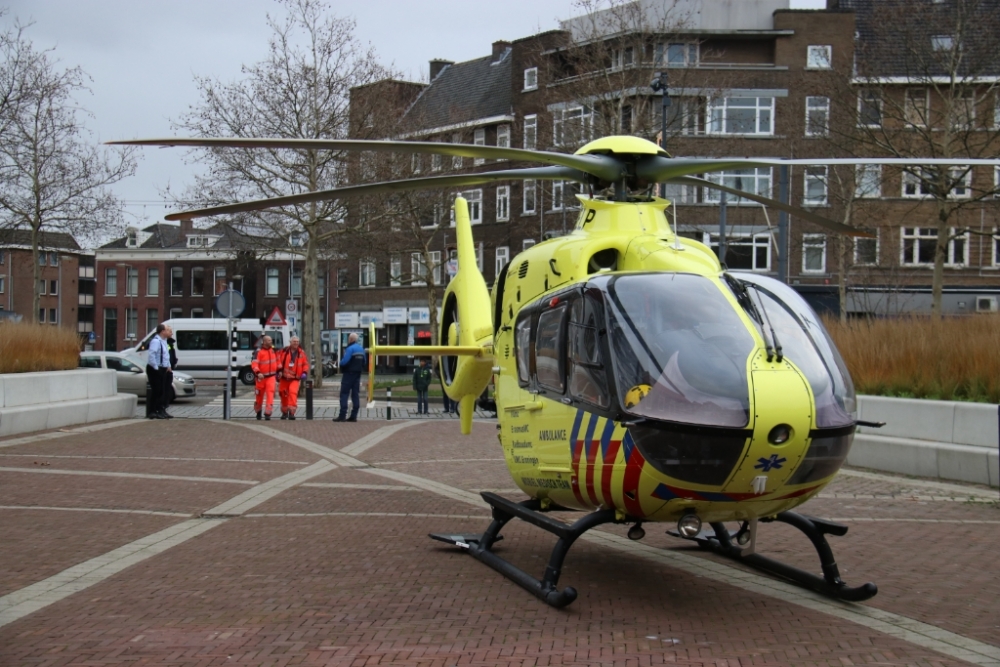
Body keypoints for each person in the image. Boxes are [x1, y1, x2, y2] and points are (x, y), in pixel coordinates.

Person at [333, 332, 365, 422]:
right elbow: (364, 362)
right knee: (355, 394)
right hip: (358, 374)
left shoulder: (350, 349)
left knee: (344, 394)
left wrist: (340, 363)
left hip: (348, 374)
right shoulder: (361, 349)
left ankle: (342, 415)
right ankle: (354, 416)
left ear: (350, 339)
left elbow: (344, 361)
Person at [278, 335, 309, 420]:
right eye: (294, 341)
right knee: (283, 394)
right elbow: (278, 362)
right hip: (284, 378)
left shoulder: (301, 353)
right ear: (290, 342)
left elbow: (305, 364)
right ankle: (284, 412)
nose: (296, 343)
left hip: (295, 378)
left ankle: (291, 412)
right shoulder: (283, 351)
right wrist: (278, 371)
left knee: (292, 393)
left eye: (297, 342)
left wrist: (304, 372)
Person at [145, 323, 172, 419]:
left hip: (163, 368)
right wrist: (156, 368)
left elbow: (165, 356)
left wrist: (168, 366)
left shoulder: (164, 341)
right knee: (156, 390)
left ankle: (160, 410)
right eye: (168, 330)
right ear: (162, 331)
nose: (170, 332)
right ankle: (153, 411)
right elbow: (152, 355)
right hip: (155, 368)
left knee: (162, 391)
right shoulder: (156, 341)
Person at [251, 335, 279, 420]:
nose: (271, 342)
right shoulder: (258, 352)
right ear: (264, 342)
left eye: (271, 340)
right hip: (261, 377)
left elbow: (277, 362)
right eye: (269, 340)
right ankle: (258, 411)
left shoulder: (273, 350)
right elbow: (254, 363)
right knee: (259, 396)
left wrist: (279, 371)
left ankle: (268, 413)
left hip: (271, 377)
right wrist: (258, 372)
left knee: (270, 394)